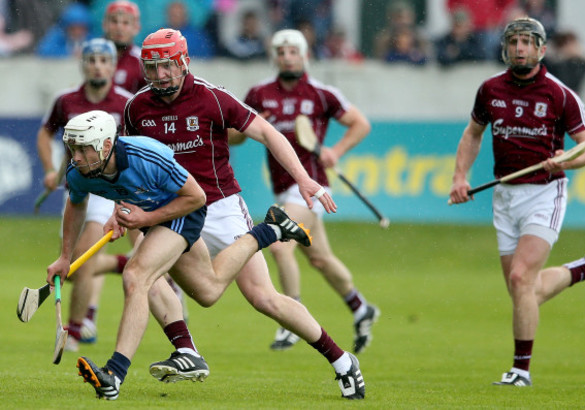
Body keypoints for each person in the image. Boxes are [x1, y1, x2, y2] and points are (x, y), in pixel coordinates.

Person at [123, 28, 366, 400]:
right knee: (143, 270)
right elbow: (126, 166)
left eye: (168, 67)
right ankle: (186, 349)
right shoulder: (136, 108)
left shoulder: (212, 98)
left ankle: (342, 361)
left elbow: (268, 133)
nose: (160, 76)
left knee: (263, 297)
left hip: (220, 207)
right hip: (171, 211)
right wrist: (121, 208)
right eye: (152, 68)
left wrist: (303, 179)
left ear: (185, 62)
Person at [47, 110, 312, 400]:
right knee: (207, 291)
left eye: (84, 149)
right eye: (73, 149)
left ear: (106, 146)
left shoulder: (146, 156)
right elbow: (76, 204)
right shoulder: (80, 172)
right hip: (153, 214)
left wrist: (145, 219)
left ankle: (114, 373)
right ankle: (268, 232)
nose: (77, 157)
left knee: (136, 275)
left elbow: (196, 197)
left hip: (185, 210)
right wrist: (64, 256)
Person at [448, 17, 585, 387]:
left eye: (528, 42)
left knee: (519, 278)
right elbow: (473, 134)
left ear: (542, 50)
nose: (521, 48)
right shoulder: (490, 89)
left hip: (545, 192)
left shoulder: (559, 94)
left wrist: (565, 160)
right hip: (504, 196)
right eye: (514, 42)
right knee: (524, 290)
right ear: (505, 48)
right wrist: (460, 177)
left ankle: (520, 372)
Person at [235, 29, 380, 353]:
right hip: (284, 190)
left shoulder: (321, 93)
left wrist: (337, 151)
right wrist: (253, 124)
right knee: (321, 260)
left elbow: (360, 123)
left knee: (279, 246)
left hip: (312, 188)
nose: (287, 57)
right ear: (275, 57)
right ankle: (361, 308)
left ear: (304, 55)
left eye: (293, 51)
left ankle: (291, 321)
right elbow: (234, 136)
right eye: (281, 52)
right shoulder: (259, 94)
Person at [36, 37, 133, 352]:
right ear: (83, 64)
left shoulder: (126, 103)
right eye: (91, 60)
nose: (97, 65)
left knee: (83, 260)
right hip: (77, 187)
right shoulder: (66, 101)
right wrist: (51, 168)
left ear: (113, 65)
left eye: (103, 60)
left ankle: (74, 331)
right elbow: (44, 133)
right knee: (77, 265)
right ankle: (124, 263)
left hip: (108, 189)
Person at [102, 0, 147, 94]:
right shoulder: (91, 57)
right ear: (104, 25)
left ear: (136, 28)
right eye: (114, 21)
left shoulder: (142, 62)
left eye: (125, 23)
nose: (119, 27)